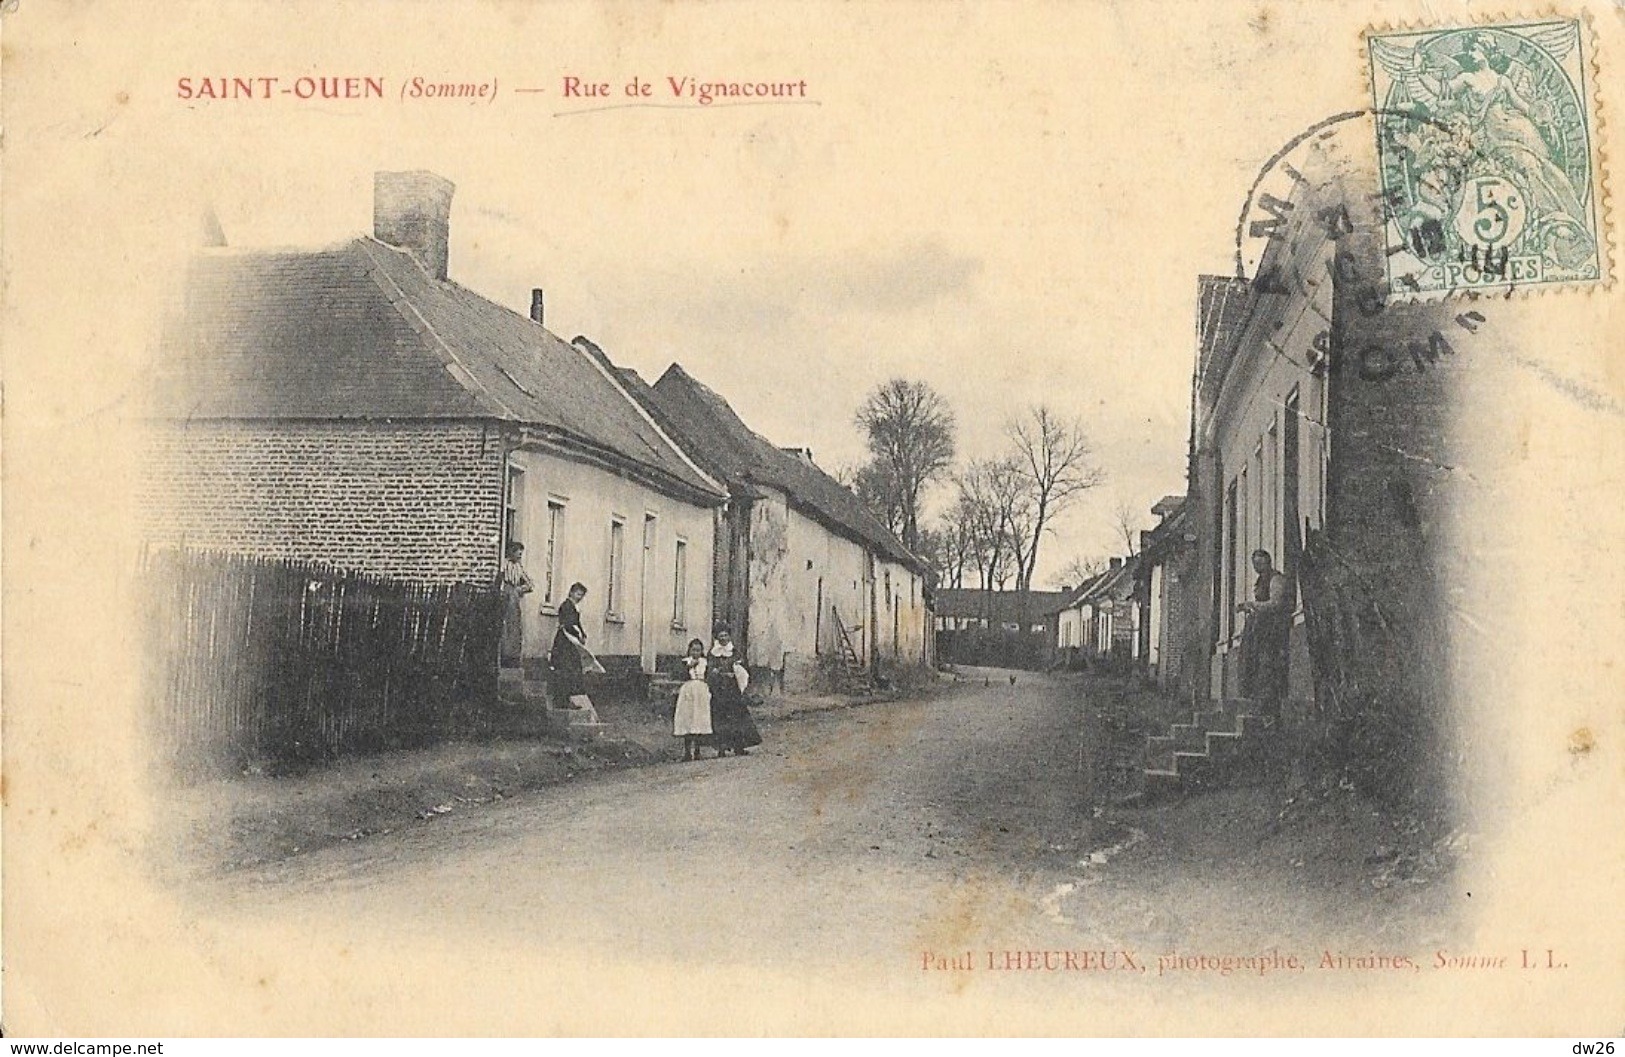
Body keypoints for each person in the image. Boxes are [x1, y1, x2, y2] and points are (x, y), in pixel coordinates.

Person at [1236, 549, 1292, 721]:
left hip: (1272, 632)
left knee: (1267, 668)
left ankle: (1268, 708)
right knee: (1254, 666)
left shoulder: (1276, 579)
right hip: (1259, 632)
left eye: (1259, 563)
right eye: (1254, 564)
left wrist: (1253, 605)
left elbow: (1275, 604)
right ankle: (1258, 705)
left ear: (1268, 561)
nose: (1256, 567)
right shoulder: (1260, 581)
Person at [705, 624, 761, 757]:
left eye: (725, 635)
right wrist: (715, 672)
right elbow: (708, 669)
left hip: (733, 689)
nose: (723, 638)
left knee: (737, 717)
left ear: (729, 636)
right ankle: (721, 748)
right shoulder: (712, 653)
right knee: (720, 718)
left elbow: (743, 667)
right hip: (719, 690)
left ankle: (739, 747)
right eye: (721, 635)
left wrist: (736, 671)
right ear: (716, 637)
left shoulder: (735, 652)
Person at [549, 582, 597, 710]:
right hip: (564, 643)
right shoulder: (566, 606)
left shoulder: (573, 607)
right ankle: (562, 702)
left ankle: (568, 700)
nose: (579, 597)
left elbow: (577, 624)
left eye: (582, 595)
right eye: (578, 594)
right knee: (566, 670)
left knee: (572, 671)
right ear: (571, 592)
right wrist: (579, 634)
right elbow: (569, 624)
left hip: (571, 643)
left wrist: (583, 634)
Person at [672, 638, 712, 762]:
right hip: (688, 692)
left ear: (702, 651)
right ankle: (687, 752)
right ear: (689, 650)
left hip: (701, 692)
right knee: (688, 719)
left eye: (698, 650)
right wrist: (687, 668)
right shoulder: (685, 662)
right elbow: (677, 675)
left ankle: (698, 751)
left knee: (699, 720)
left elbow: (709, 676)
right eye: (693, 650)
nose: (695, 653)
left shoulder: (705, 662)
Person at [499, 541, 534, 669]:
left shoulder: (519, 567)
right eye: (517, 552)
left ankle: (512, 656)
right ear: (511, 552)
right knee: (505, 625)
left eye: (521, 553)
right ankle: (504, 654)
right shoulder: (504, 564)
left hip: (514, 596)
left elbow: (530, 585)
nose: (519, 555)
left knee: (515, 625)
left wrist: (520, 589)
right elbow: (500, 578)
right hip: (505, 595)